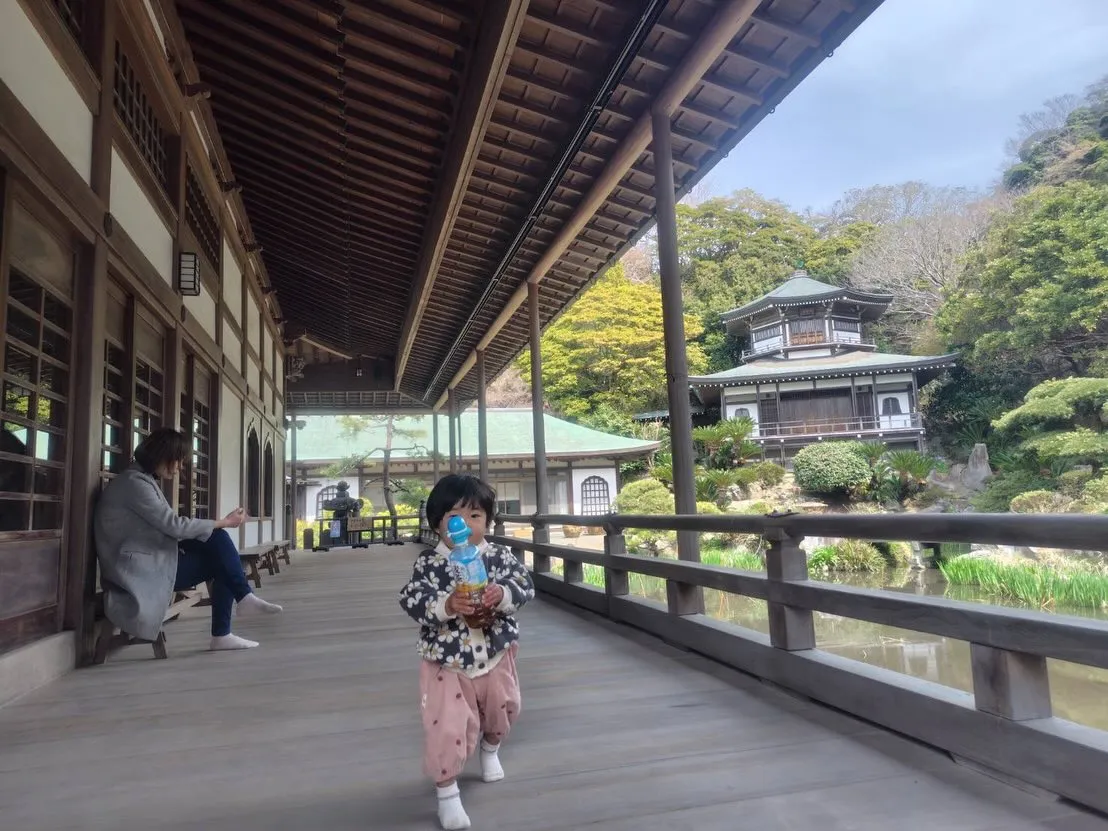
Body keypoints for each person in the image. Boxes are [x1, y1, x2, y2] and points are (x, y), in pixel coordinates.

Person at [398, 474, 535, 830]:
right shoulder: (429, 564)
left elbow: (524, 584)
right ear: (438, 523)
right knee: (447, 725)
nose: (466, 524)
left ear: (488, 521)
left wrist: (502, 594)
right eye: (454, 515)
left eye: (476, 516)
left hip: (495, 653)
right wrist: (446, 604)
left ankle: (490, 749)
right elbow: (412, 598)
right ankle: (447, 793)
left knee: (504, 709)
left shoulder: (499, 556)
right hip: (447, 660)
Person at [94, 428, 282, 652]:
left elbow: (169, 527)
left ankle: (240, 604)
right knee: (222, 555)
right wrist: (224, 522)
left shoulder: (139, 480)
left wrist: (221, 524)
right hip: (138, 573)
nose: (179, 468)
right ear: (163, 456)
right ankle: (230, 620)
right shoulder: (135, 484)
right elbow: (173, 526)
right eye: (179, 461)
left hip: (148, 559)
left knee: (219, 546)